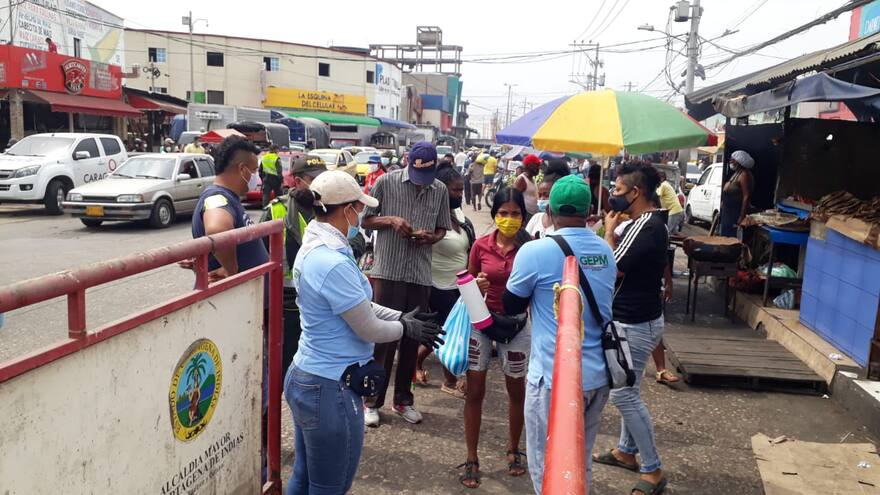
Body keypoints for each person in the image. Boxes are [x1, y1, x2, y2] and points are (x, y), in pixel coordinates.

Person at [285, 170, 444, 494]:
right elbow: (369, 327)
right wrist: (405, 327)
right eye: (359, 209)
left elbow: (358, 306)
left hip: (309, 375)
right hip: (330, 387)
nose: (361, 216)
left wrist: (401, 317)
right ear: (347, 210)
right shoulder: (331, 262)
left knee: (304, 477)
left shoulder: (316, 246)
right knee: (330, 486)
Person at [503, 174, 617, 494]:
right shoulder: (605, 251)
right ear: (588, 212)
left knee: (547, 466)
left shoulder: (535, 251)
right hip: (596, 376)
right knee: (579, 462)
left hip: (553, 379)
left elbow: (511, 304)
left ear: (549, 210)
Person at [361, 141, 453, 426]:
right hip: (388, 271)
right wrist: (391, 220)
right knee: (383, 339)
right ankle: (371, 401)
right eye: (417, 175)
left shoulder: (440, 190)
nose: (421, 182)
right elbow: (366, 221)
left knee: (413, 338)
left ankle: (403, 400)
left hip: (420, 274)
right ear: (408, 163)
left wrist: (432, 238)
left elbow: (442, 227)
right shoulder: (385, 183)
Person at [594, 161, 669, 495]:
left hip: (635, 324)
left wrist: (609, 232)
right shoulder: (649, 224)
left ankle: (653, 469)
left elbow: (613, 268)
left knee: (623, 394)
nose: (614, 194)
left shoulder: (645, 226)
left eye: (619, 189)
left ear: (636, 192)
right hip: (641, 319)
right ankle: (626, 451)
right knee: (630, 388)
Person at [459, 187, 532, 489]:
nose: (509, 219)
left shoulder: (531, 248)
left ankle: (513, 449)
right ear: (494, 215)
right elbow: (467, 281)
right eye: (503, 213)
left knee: (517, 391)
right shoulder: (480, 245)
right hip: (482, 323)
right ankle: (471, 457)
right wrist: (475, 285)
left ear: (523, 217)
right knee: (475, 391)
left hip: (516, 327)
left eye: (515, 214)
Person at [260, 155, 327, 375]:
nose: (321, 184)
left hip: (322, 300)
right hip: (287, 303)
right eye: (314, 179)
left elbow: (354, 238)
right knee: (285, 363)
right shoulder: (275, 211)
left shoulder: (330, 206)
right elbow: (259, 257)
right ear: (298, 181)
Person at [414, 164, 475, 398]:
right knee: (448, 332)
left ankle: (416, 364)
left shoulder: (458, 215)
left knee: (445, 330)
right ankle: (449, 381)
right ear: (441, 190)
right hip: (437, 284)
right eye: (455, 190)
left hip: (460, 283)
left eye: (461, 190)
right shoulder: (429, 218)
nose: (460, 195)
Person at [190, 136, 267, 280]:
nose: (257, 177)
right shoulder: (216, 197)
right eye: (254, 171)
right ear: (242, 169)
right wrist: (230, 270)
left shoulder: (230, 197)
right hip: (238, 292)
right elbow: (217, 228)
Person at [720, 150, 754, 237]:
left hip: (735, 212)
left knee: (732, 238)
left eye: (733, 160)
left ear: (739, 162)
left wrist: (741, 216)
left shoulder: (744, 175)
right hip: (728, 213)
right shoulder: (736, 173)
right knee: (725, 236)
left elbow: (746, 196)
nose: (730, 162)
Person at [525, 173, 564, 239]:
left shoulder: (563, 224)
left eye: (546, 195)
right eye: (539, 195)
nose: (542, 199)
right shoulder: (536, 218)